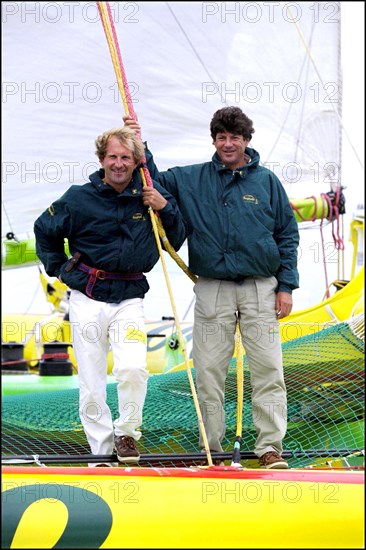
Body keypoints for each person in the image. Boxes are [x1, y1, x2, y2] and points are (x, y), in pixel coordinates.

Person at [125, 107, 299, 468]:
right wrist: (140, 146)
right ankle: (213, 450)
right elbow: (152, 178)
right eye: (222, 137)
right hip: (212, 288)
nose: (228, 144)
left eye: (235, 137)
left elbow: (287, 235)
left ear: (247, 140)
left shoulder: (267, 182)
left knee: (268, 370)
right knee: (207, 372)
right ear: (215, 140)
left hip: (260, 287)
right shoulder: (192, 178)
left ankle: (269, 448)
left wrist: (286, 286)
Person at [34, 127, 186, 466]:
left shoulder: (150, 193)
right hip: (87, 296)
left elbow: (175, 238)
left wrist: (166, 208)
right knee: (91, 383)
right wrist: (60, 269)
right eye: (113, 157)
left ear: (135, 162)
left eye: (126, 158)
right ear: (102, 159)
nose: (119, 164)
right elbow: (44, 230)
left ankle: (127, 433)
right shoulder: (77, 198)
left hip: (129, 296)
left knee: (133, 368)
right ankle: (101, 455)